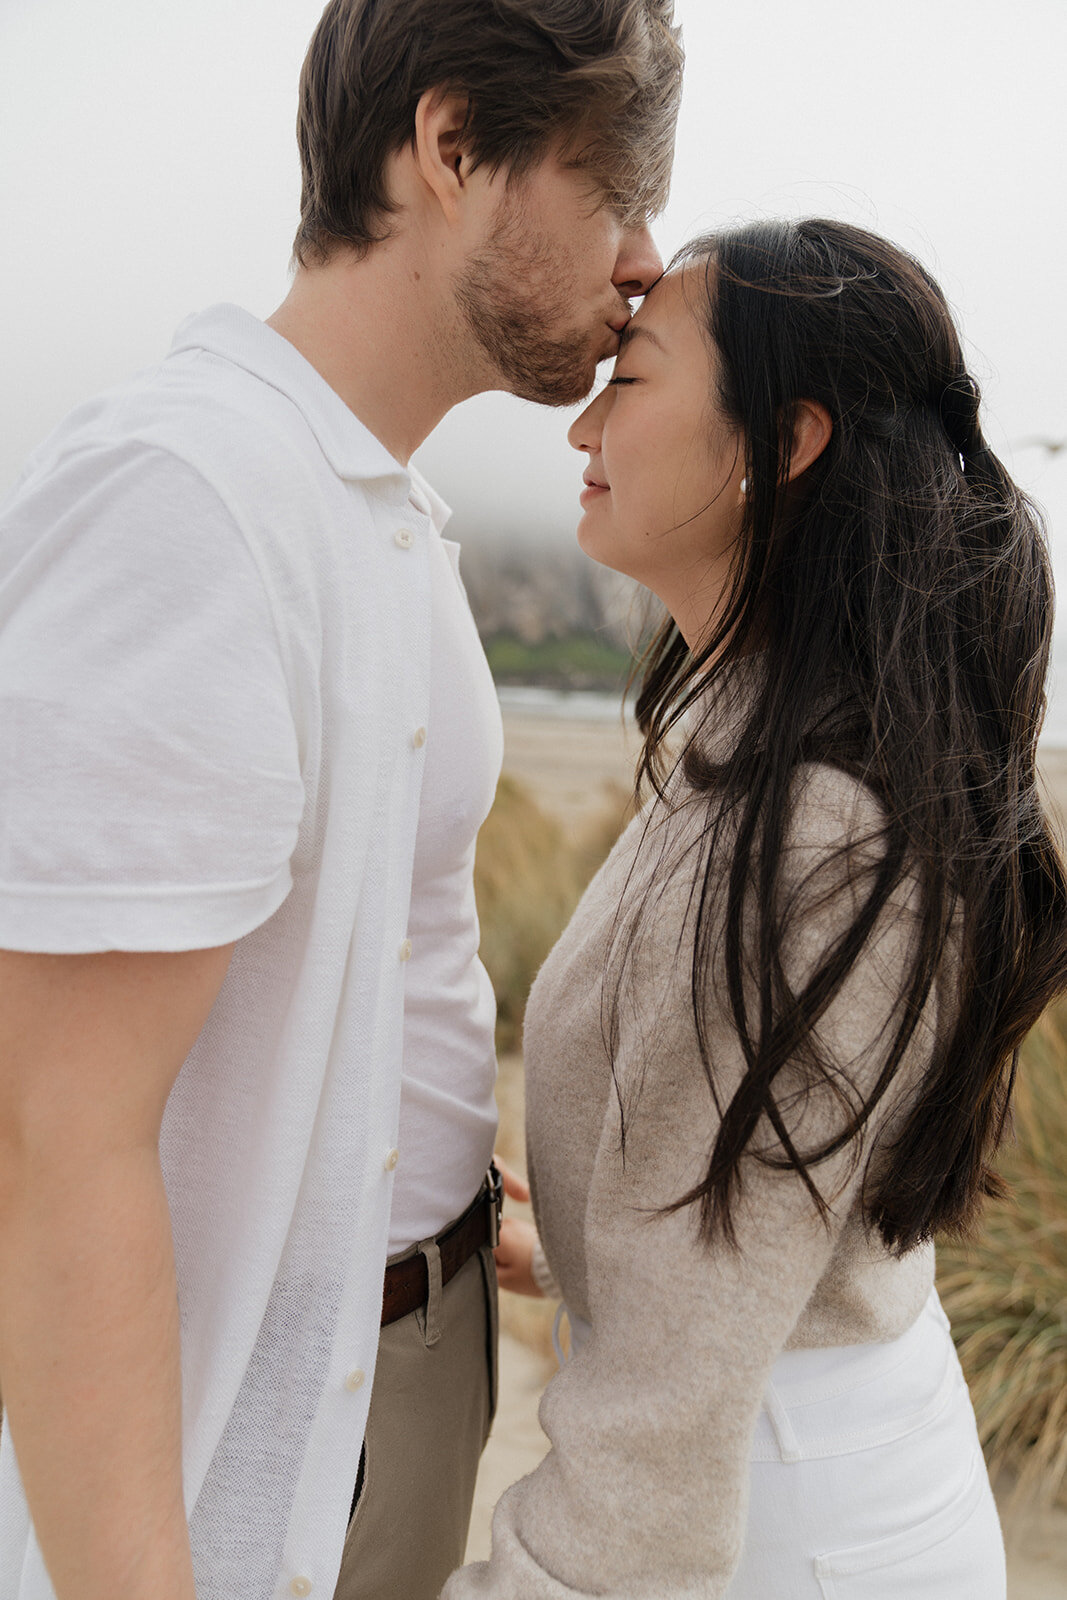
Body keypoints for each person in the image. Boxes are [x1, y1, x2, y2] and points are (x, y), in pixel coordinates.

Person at [0, 4, 683, 1599]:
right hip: (259, 1426)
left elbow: (356, 957)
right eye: (615, 191)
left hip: (406, 1356)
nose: (646, 259)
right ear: (451, 147)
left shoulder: (374, 499)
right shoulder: (193, 495)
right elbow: (54, 1137)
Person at [450, 218, 1067, 1598]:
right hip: (817, 1459)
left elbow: (657, 1466)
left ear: (783, 443)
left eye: (631, 380)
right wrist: (597, 1252)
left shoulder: (816, 836)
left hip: (782, 1521)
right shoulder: (781, 758)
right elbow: (782, 1217)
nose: (582, 429)